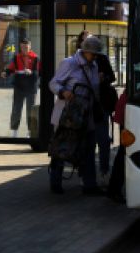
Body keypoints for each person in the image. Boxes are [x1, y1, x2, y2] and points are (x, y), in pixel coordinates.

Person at [48, 35, 103, 195]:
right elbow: (53, 83)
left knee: (89, 148)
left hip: (87, 116)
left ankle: (89, 185)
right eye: (93, 54)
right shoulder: (69, 63)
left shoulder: (94, 66)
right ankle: (55, 182)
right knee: (62, 148)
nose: (95, 57)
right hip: (68, 116)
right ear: (85, 51)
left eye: (97, 54)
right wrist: (63, 91)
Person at [76, 30, 116, 176]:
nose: (89, 45)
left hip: (100, 105)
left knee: (103, 140)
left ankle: (104, 171)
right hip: (84, 106)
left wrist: (103, 78)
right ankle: (85, 173)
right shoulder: (75, 60)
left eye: (91, 40)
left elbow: (112, 77)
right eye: (85, 41)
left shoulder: (101, 58)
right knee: (85, 142)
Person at [3, 37, 40, 137]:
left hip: (31, 88)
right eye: (23, 46)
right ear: (20, 47)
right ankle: (14, 131)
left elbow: (39, 73)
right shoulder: (16, 57)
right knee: (16, 109)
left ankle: (30, 131)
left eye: (26, 46)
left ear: (30, 46)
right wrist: (6, 73)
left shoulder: (35, 58)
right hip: (19, 87)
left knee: (30, 110)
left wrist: (31, 72)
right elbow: (10, 69)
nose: (24, 48)